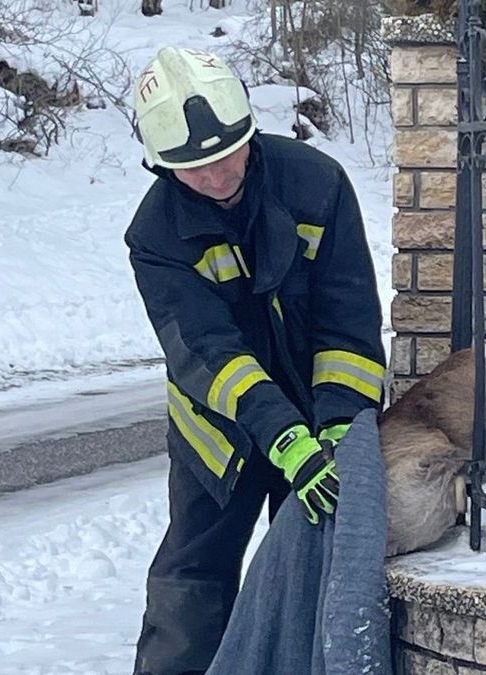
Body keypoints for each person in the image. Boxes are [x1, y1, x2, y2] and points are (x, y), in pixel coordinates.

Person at [125, 46, 385, 675]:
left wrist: (338, 429)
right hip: (220, 432)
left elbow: (347, 324)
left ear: (250, 132)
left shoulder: (316, 185)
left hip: (321, 417)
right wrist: (280, 435)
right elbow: (211, 354)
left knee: (307, 567)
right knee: (193, 580)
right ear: (161, 167)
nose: (216, 178)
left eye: (226, 156)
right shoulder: (155, 236)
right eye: (194, 169)